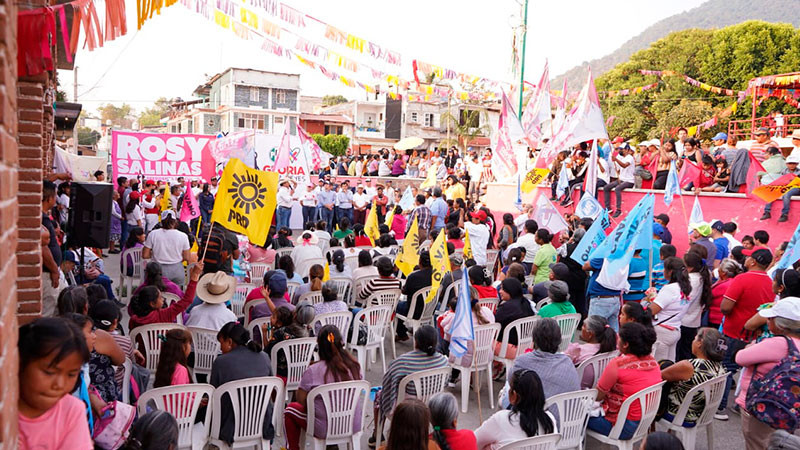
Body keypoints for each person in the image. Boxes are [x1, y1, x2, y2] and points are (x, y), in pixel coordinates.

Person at [734, 297, 800, 450]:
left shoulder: (778, 343)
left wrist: (751, 346)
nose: (768, 321)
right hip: (789, 409)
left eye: (771, 318)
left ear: (782, 324)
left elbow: (740, 357)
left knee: (757, 444)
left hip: (761, 406)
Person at [17, 317, 93, 449]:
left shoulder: (71, 411)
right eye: (49, 372)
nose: (60, 385)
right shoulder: (5, 407)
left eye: (71, 374)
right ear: (19, 363)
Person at [284, 325, 363, 450]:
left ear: (319, 346)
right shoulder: (355, 365)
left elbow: (301, 400)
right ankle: (331, 445)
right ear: (341, 343)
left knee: (289, 410)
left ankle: (293, 448)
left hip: (324, 428)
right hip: (352, 423)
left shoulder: (313, 371)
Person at [717, 248, 774, 419]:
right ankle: (740, 403)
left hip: (734, 330)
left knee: (725, 367)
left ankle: (720, 407)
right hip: (755, 333)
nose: (746, 259)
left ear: (753, 261)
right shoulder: (771, 282)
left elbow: (725, 307)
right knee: (747, 369)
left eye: (748, 256)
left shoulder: (742, 278)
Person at [587, 322, 661, 440]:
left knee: (577, 415)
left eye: (619, 338)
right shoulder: (653, 362)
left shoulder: (617, 364)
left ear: (625, 344)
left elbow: (598, 396)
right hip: (645, 422)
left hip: (623, 427)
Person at [376, 326, 448, 442]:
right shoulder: (443, 361)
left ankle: (376, 435)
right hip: (431, 406)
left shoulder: (403, 362)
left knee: (379, 395)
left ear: (416, 342)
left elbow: (388, 383)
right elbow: (444, 383)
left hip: (406, 409)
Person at [211, 322, 274, 445]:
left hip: (230, 426)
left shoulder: (220, 362)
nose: (220, 348)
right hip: (262, 422)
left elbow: (214, 395)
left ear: (229, 342)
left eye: (221, 343)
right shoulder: (264, 357)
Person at [659, 327, 726, 426]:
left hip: (681, 414)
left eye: (695, 339)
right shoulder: (720, 367)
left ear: (700, 343)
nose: (692, 342)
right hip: (702, 413)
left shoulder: (690, 366)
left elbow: (658, 376)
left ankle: (649, 437)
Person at [475, 370, 556, 450]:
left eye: (509, 388)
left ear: (514, 395)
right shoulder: (550, 420)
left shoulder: (502, 419)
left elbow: (474, 442)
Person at [128, 262, 202, 330]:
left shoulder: (133, 320)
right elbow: (186, 300)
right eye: (160, 297)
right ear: (152, 304)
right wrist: (194, 276)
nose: (163, 299)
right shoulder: (163, 315)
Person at [648, 257, 691, 361]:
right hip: (674, 329)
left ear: (670, 271)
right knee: (669, 364)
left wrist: (648, 302)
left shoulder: (669, 289)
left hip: (662, 331)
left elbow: (651, 311)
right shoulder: (684, 287)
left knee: (660, 366)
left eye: (664, 269)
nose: (663, 271)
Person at [566, 315, 618, 388]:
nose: (581, 328)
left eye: (584, 326)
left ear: (590, 334)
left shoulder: (577, 350)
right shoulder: (612, 350)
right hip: (599, 389)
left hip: (578, 390)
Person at [142, 213, 192, 286]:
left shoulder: (153, 234)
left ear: (161, 221)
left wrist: (155, 254)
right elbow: (187, 257)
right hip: (177, 270)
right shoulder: (183, 236)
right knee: (177, 294)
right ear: (175, 222)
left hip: (157, 269)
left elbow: (145, 255)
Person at [494, 278, 535, 363]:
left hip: (509, 349)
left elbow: (496, 328)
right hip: (527, 346)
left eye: (502, 289)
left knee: (483, 342)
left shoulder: (506, 308)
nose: (500, 291)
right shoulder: (526, 303)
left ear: (510, 290)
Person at [42, 181, 66, 317]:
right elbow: (43, 248)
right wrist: (53, 270)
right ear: (50, 198)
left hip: (52, 271)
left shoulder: (44, 217)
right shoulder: (41, 219)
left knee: (63, 302)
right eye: (55, 195)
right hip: (47, 274)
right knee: (48, 311)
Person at [760, 154, 800, 222]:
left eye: (794, 163)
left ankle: (785, 214)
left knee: (786, 194)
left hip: (796, 188)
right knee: (771, 192)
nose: (792, 165)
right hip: (785, 187)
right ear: (787, 164)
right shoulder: (784, 171)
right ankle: (767, 212)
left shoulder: (799, 172)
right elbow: (780, 180)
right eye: (790, 163)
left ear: (797, 164)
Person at [709, 259, 743, 330]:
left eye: (719, 268)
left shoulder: (724, 285)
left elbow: (709, 296)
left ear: (724, 273)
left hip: (716, 318)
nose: (718, 270)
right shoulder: (734, 282)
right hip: (723, 318)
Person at [604, 145, 636, 217]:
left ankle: (618, 209)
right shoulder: (622, 158)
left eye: (622, 149)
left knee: (617, 189)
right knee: (606, 187)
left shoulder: (630, 158)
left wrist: (616, 160)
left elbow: (624, 165)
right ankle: (608, 207)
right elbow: (619, 169)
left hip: (629, 181)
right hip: (621, 179)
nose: (620, 151)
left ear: (627, 150)